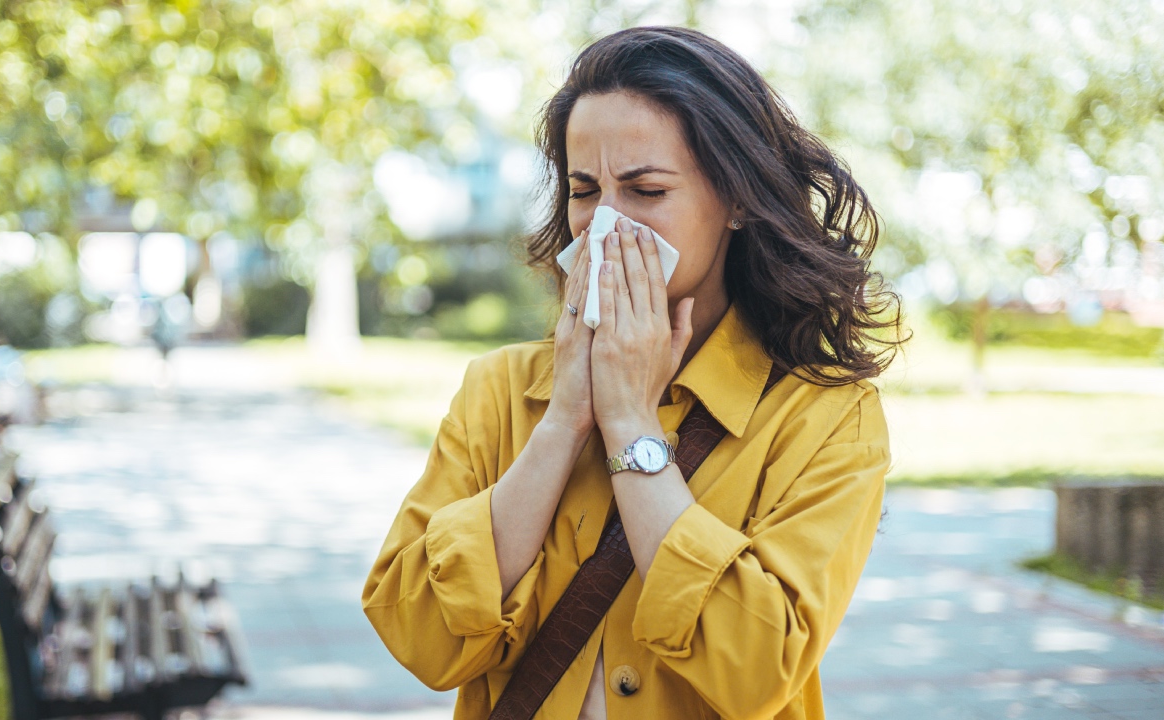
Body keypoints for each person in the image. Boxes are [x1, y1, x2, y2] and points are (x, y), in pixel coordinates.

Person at [362, 26, 906, 720]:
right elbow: (419, 637)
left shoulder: (826, 416)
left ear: (736, 200)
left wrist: (629, 424)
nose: (606, 226)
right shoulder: (498, 389)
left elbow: (757, 671)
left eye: (646, 190)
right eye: (585, 191)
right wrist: (564, 421)